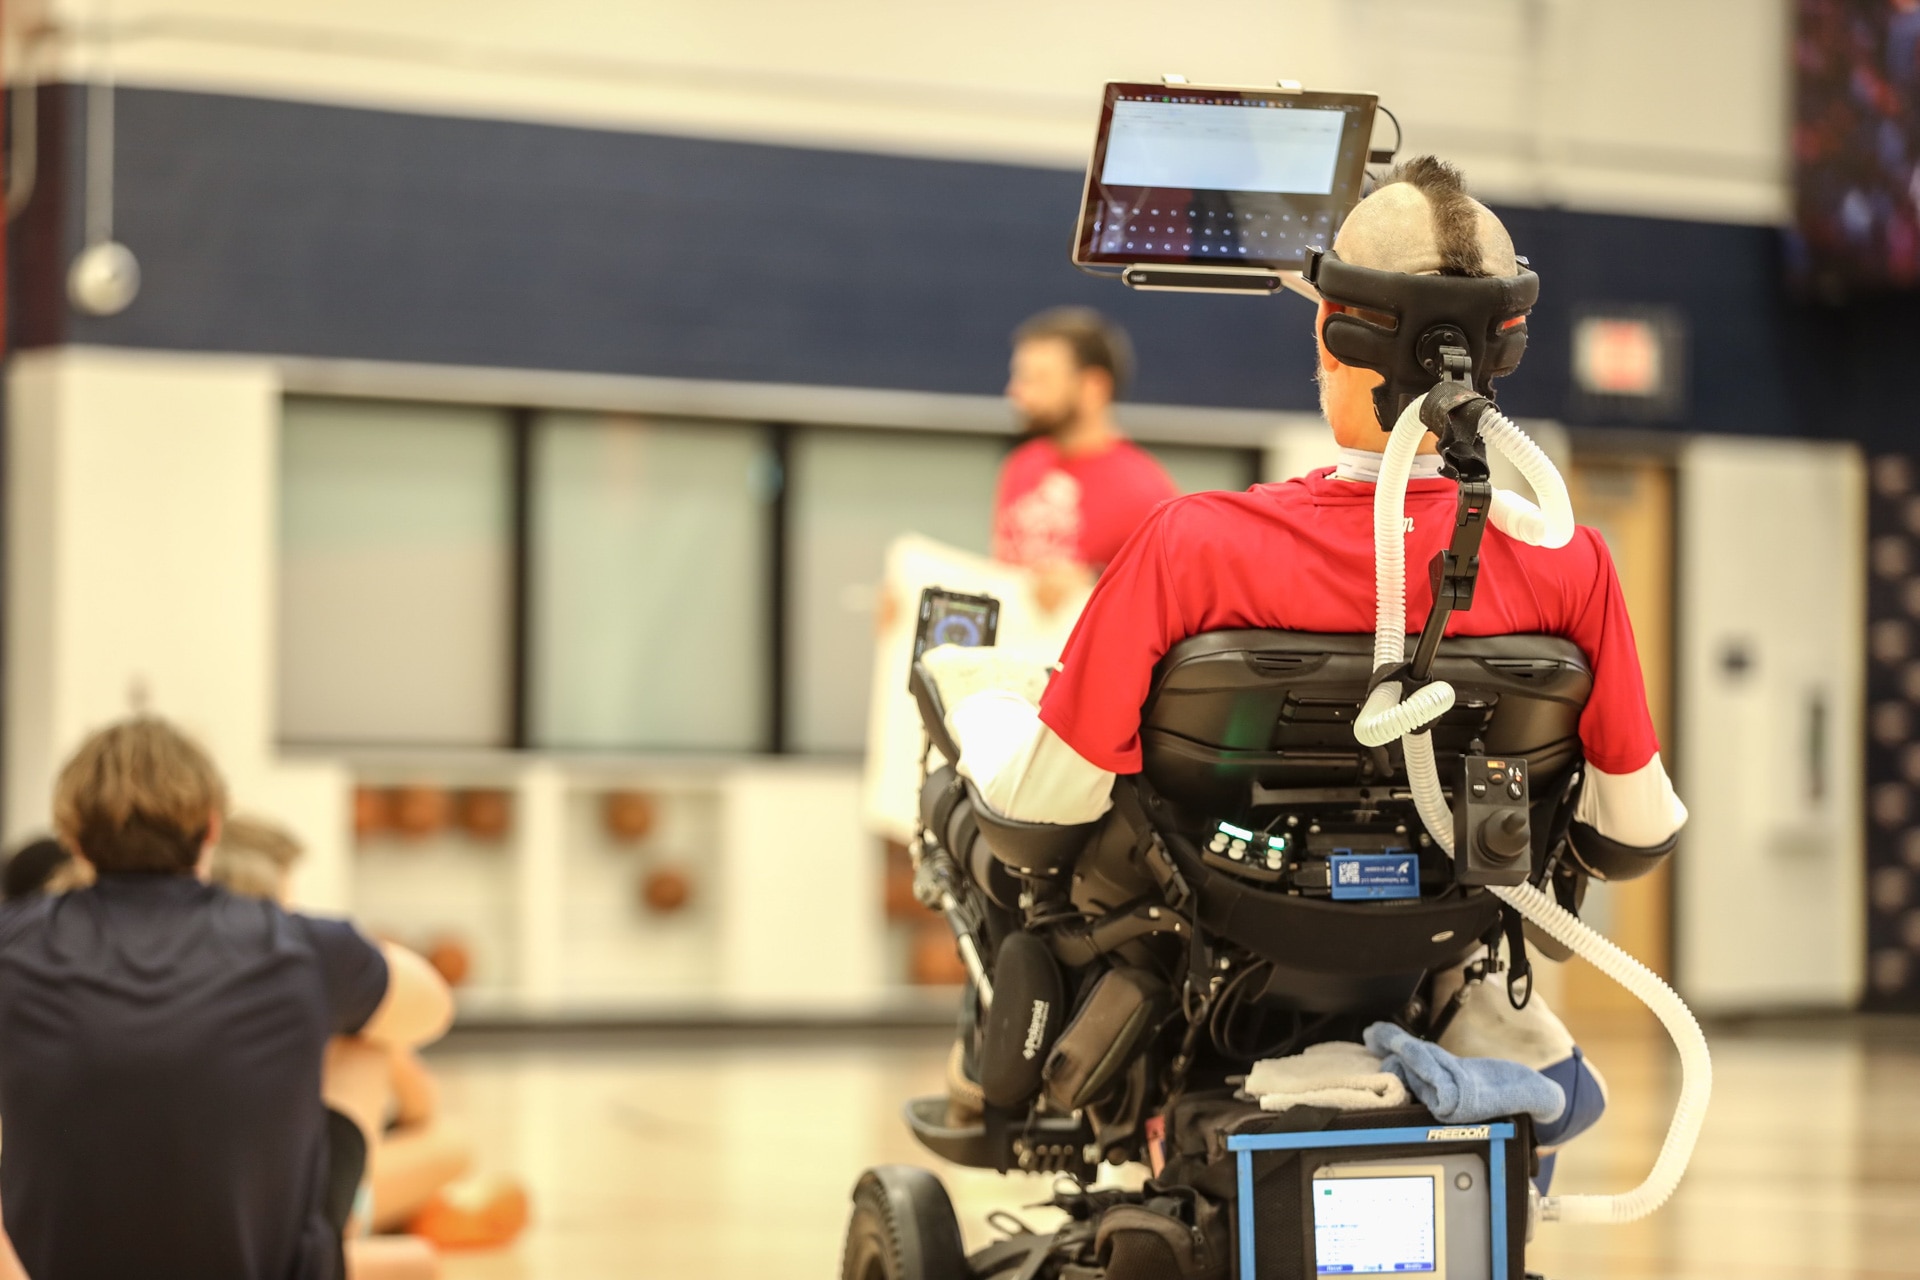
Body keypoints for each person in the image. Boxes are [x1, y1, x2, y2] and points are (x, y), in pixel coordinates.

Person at [940, 157, 1686, 1181]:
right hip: (1434, 932)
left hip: (1211, 922)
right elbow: (1631, 832)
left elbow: (1043, 807)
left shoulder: (1193, 543)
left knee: (965, 765)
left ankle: (987, 1077)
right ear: (1501, 350)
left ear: (1332, 338)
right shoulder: (1572, 562)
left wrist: (976, 714)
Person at [0, 717, 454, 1280]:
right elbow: (432, 1008)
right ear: (213, 828)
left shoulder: (14, 941)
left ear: (71, 838)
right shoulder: (300, 945)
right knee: (366, 1039)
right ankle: (330, 1243)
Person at [212, 815, 529, 1251]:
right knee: (449, 1144)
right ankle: (371, 1221)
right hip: (277, 1213)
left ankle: (388, 1212)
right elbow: (421, 1104)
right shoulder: (305, 970)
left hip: (188, 1196)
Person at [993, 307, 1179, 612]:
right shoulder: (1020, 465)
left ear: (1094, 387)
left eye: (1038, 379)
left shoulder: (1147, 494)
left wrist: (1090, 583)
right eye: (1020, 376)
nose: (1015, 392)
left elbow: (1166, 603)